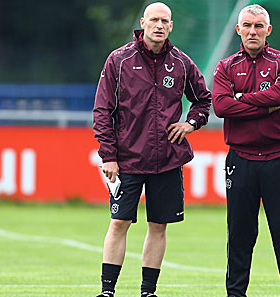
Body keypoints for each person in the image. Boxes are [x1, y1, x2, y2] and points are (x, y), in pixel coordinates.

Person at [92, 2, 211, 297]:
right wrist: (108, 155)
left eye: (165, 21)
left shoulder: (181, 62)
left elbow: (203, 100)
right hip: (128, 160)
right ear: (143, 22)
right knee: (119, 223)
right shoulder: (118, 60)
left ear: (171, 26)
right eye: (154, 20)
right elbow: (102, 110)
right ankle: (108, 292)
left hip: (167, 160)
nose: (159, 25)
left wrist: (191, 124)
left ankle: (148, 292)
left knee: (159, 226)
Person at [212, 4, 280, 297]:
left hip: (279, 158)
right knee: (239, 234)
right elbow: (220, 106)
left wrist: (241, 99)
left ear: (268, 30)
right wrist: (262, 106)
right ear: (238, 29)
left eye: (259, 26)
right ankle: (235, 294)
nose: (253, 31)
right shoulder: (225, 66)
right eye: (247, 26)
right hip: (241, 160)